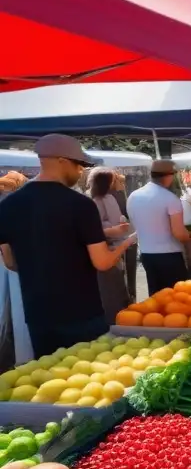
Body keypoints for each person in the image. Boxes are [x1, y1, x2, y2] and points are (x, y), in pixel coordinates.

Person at [0, 134, 135, 356]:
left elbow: (10, 262)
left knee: (49, 377)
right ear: (62, 160)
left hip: (38, 313)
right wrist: (127, 242)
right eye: (79, 164)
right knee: (90, 377)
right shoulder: (81, 205)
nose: (81, 171)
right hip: (81, 312)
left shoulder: (9, 204)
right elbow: (102, 262)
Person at [127, 160, 190, 293]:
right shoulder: (170, 198)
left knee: (156, 296)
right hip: (169, 255)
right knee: (176, 296)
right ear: (169, 176)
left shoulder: (133, 196)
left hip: (146, 253)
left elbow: (134, 224)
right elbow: (179, 233)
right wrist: (190, 237)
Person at [89, 169, 132, 323]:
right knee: (111, 290)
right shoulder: (95, 201)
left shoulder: (110, 197)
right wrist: (115, 229)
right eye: (114, 180)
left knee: (120, 286)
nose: (117, 182)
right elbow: (94, 230)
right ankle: (114, 321)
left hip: (118, 246)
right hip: (108, 249)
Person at [109, 172, 137, 302]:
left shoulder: (118, 195)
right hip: (123, 239)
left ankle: (130, 296)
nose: (123, 185)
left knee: (127, 273)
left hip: (124, 237)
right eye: (121, 182)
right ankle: (130, 297)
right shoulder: (116, 196)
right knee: (127, 273)